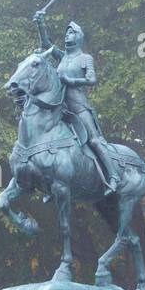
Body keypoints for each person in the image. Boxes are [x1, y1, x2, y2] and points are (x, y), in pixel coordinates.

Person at [33, 11, 119, 192]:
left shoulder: (85, 58)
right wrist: (40, 24)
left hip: (79, 107)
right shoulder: (63, 56)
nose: (67, 35)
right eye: (66, 33)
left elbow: (92, 80)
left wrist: (72, 81)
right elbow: (46, 44)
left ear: (78, 36)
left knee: (95, 141)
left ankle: (114, 177)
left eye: (71, 33)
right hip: (62, 109)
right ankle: (50, 182)